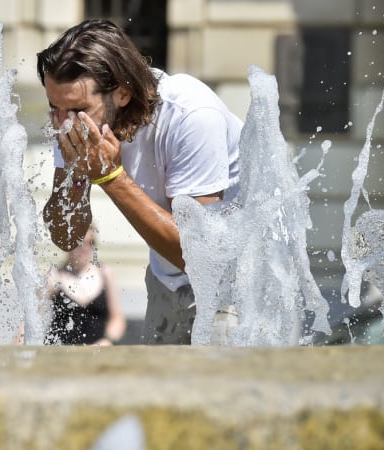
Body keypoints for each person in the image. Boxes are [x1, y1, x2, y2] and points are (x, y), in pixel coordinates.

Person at [37, 19, 242, 344]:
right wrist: (75, 175)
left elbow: (202, 257)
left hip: (234, 286)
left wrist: (110, 177)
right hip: (165, 280)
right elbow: (65, 236)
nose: (63, 123)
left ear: (122, 92)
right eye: (54, 107)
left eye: (76, 109)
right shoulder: (72, 121)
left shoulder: (191, 116)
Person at [44, 226, 126, 346]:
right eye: (80, 243)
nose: (85, 248)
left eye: (90, 243)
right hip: (61, 353)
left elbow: (117, 318)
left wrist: (107, 340)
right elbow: (33, 317)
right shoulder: (54, 276)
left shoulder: (104, 273)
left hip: (98, 353)